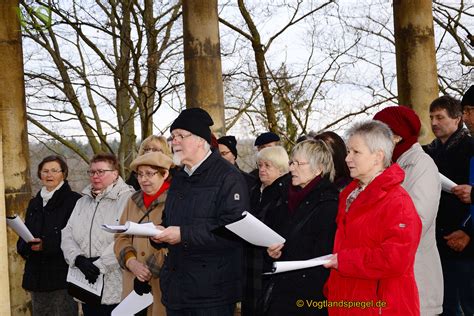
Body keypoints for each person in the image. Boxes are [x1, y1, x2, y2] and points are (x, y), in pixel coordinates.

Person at [150, 108, 250, 316]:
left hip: (211, 295)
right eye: (172, 136)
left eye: (180, 136)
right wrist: (159, 234)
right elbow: (171, 220)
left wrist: (183, 234)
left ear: (199, 140)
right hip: (177, 290)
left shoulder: (228, 177)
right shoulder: (178, 177)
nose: (174, 142)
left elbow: (233, 230)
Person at [324, 121, 422, 315]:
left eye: (355, 152)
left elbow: (394, 260)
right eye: (348, 151)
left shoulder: (398, 202)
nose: (347, 158)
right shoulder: (349, 195)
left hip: (381, 306)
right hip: (347, 300)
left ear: (378, 156)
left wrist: (343, 261)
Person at [374, 106, 443, 316]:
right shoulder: (389, 166)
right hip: (390, 278)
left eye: (377, 134)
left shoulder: (421, 165)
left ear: (396, 136)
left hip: (416, 280)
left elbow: (417, 221)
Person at [265, 140, 339, 316]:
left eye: (299, 163)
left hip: (309, 298)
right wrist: (271, 251)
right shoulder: (285, 198)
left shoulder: (329, 204)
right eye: (292, 162)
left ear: (318, 168)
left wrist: (286, 249)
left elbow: (323, 254)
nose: (292, 169)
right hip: (281, 291)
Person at [61, 153, 134, 315]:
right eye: (92, 172)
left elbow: (126, 238)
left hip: (116, 284)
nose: (95, 176)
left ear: (115, 174)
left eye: (101, 171)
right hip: (85, 283)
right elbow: (67, 234)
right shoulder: (82, 202)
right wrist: (78, 259)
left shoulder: (129, 200)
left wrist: (98, 265)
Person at [423, 95, 474, 315]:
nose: (434, 123)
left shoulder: (471, 147)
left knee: (468, 303)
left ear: (457, 118)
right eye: (431, 117)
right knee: (444, 304)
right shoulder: (427, 153)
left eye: (440, 117)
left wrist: (468, 232)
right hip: (436, 239)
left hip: (465, 241)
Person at [17, 155, 81, 316]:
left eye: (54, 170)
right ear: (39, 174)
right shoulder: (34, 202)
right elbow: (25, 233)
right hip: (36, 275)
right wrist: (26, 245)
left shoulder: (74, 200)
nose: (49, 175)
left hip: (61, 276)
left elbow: (77, 237)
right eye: (45, 171)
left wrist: (46, 245)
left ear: (64, 174)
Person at [115, 152, 173, 315]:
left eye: (149, 174)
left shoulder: (175, 200)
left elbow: (175, 241)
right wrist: (131, 262)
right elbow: (120, 236)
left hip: (161, 283)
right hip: (132, 281)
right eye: (140, 174)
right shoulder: (132, 199)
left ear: (165, 174)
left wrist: (148, 270)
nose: (143, 179)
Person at [242, 146, 290, 316]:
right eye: (260, 165)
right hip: (250, 262)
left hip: (269, 263)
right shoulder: (254, 190)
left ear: (281, 168)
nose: (261, 170)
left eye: (267, 166)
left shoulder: (285, 193)